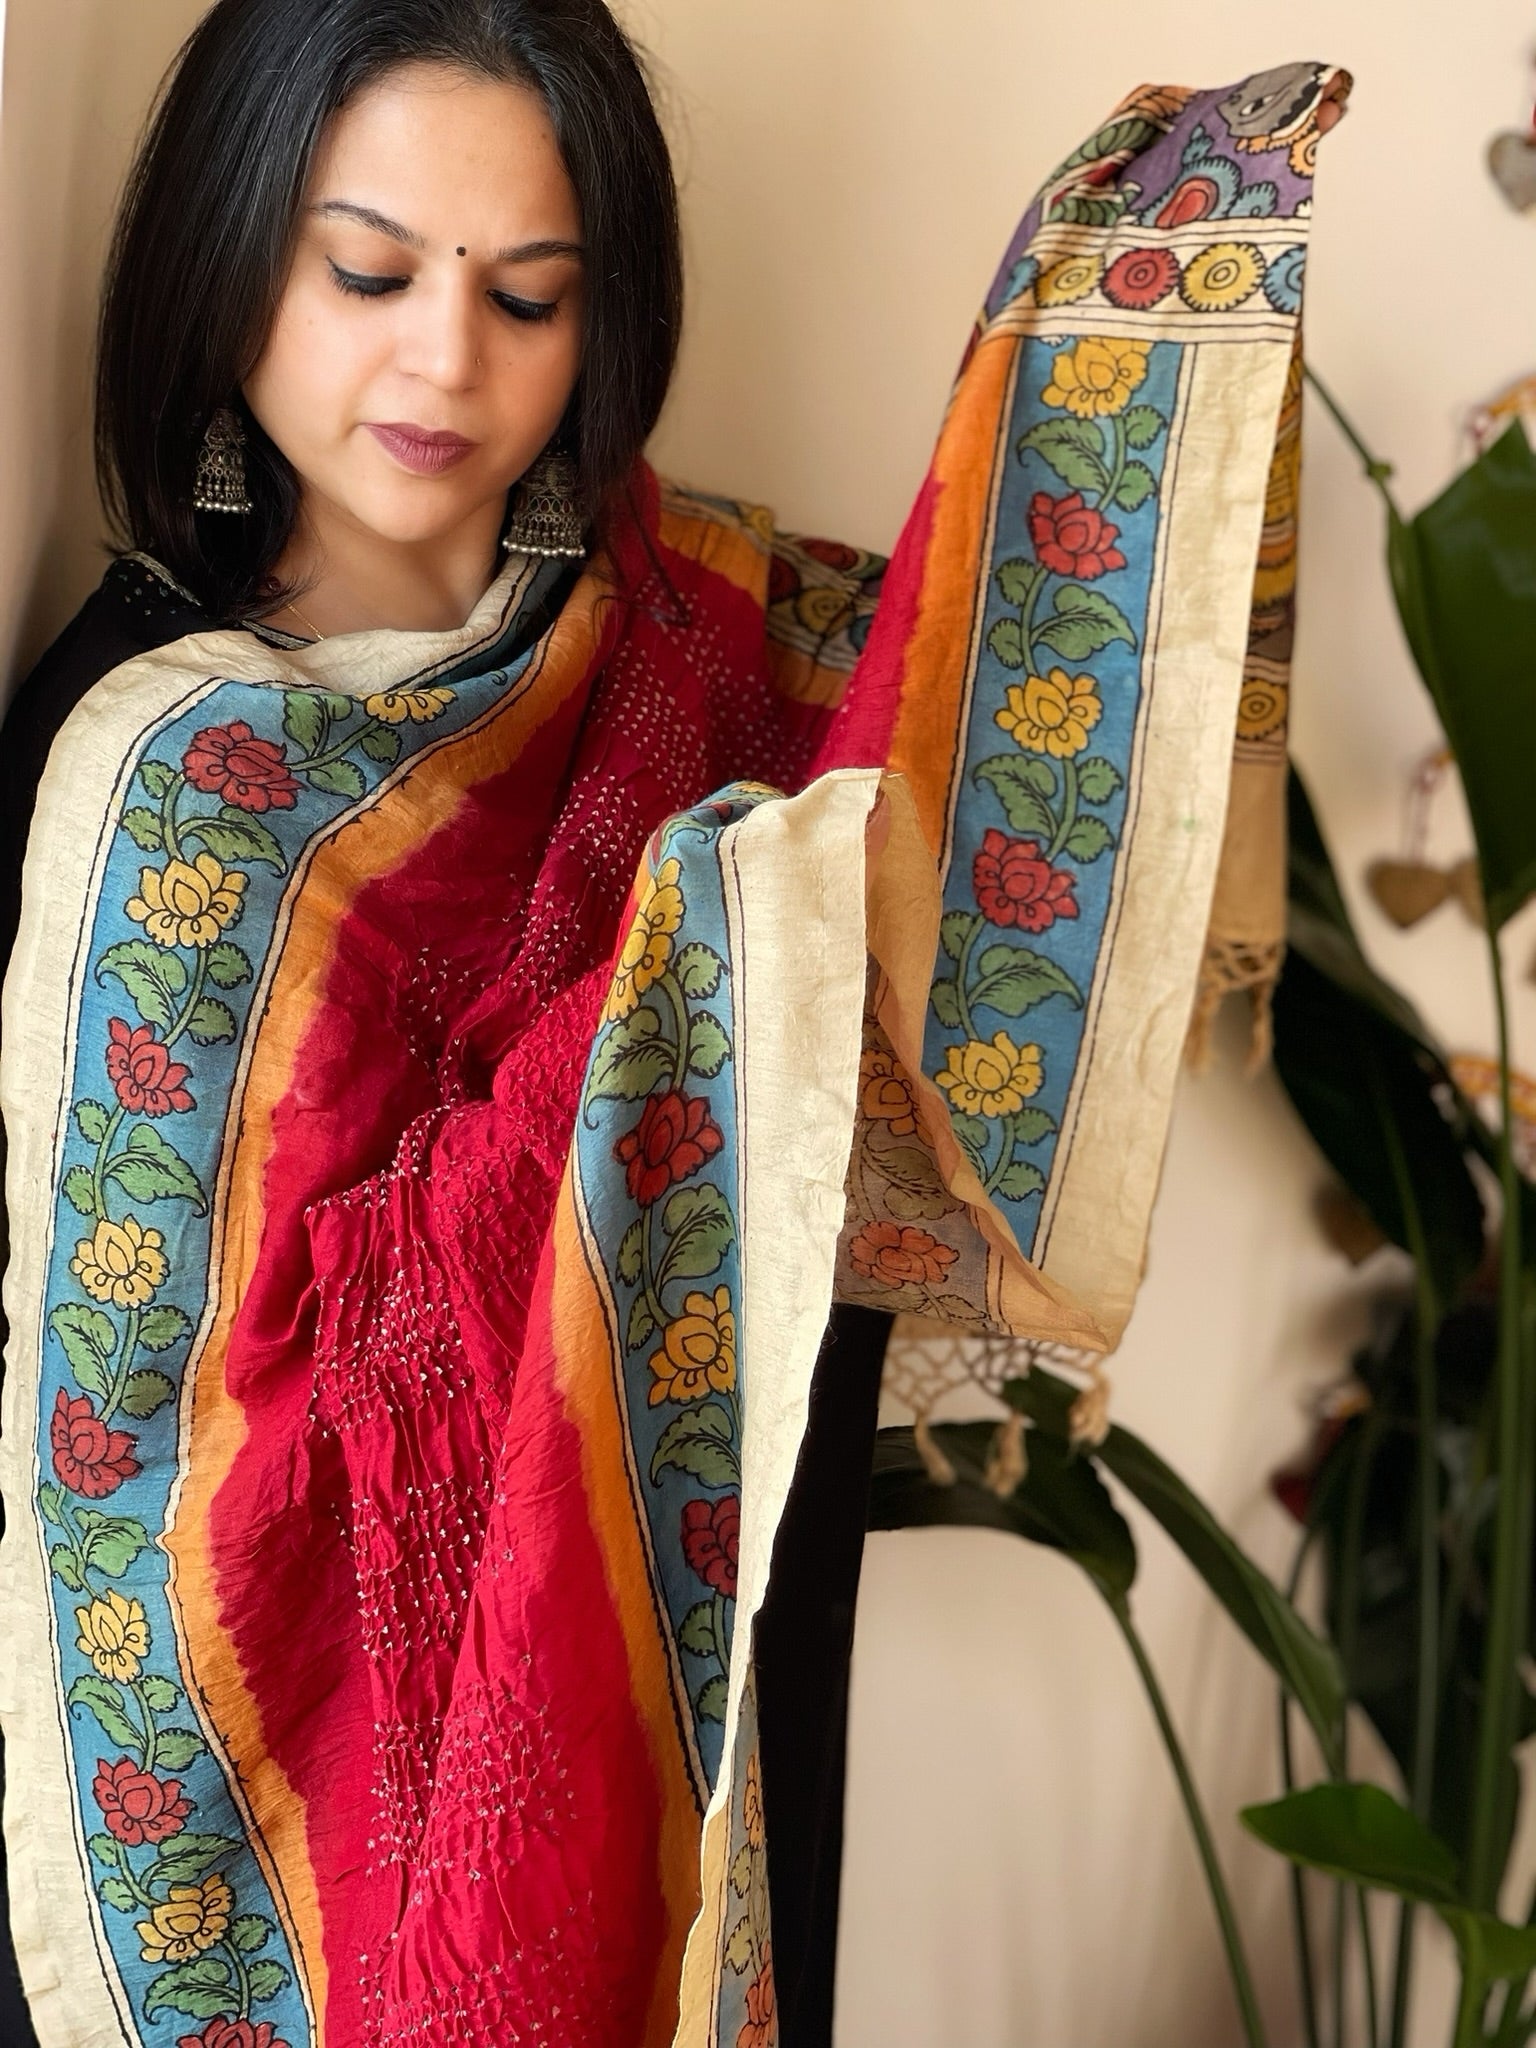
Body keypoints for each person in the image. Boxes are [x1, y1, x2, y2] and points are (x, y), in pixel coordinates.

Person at [0, 7, 1340, 2043]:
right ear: (224, 249)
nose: (444, 361)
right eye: (366, 272)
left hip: (693, 1614)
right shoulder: (158, 767)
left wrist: (1093, 343)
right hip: (292, 1803)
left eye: (524, 295)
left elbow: (954, 766)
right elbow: (144, 1416)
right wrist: (684, 1010)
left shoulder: (679, 613)